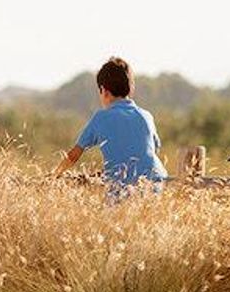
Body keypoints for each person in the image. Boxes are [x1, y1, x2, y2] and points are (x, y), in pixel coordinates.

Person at [53, 56, 168, 198]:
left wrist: (54, 176)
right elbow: (154, 149)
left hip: (122, 189)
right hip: (155, 185)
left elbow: (74, 155)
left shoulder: (101, 117)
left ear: (104, 90)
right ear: (131, 88)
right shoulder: (146, 116)